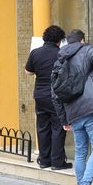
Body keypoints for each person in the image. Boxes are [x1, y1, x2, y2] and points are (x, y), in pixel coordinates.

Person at [53, 29, 93, 185]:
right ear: (83, 40)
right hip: (90, 107)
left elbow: (54, 93)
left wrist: (64, 119)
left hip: (73, 111)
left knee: (81, 152)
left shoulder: (60, 59)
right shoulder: (87, 50)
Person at [25, 25, 72, 170]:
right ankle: (57, 162)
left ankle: (44, 160)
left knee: (43, 127)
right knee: (58, 127)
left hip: (39, 95)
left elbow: (28, 71)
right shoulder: (61, 54)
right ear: (59, 40)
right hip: (55, 95)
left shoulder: (35, 53)